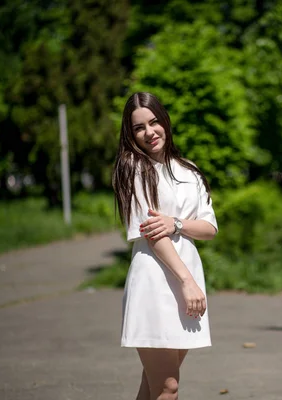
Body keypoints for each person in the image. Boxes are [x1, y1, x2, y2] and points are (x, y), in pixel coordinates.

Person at [112, 92, 218, 400]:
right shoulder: (133, 168)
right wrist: (187, 282)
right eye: (139, 128)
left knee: (154, 386)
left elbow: (209, 228)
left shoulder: (188, 169)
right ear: (130, 134)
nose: (149, 132)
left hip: (186, 282)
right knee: (168, 387)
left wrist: (177, 223)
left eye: (154, 122)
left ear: (165, 121)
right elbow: (151, 233)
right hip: (155, 283)